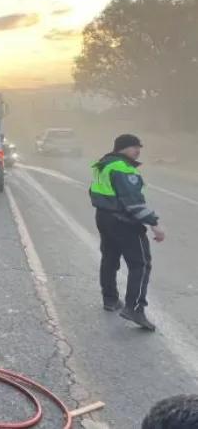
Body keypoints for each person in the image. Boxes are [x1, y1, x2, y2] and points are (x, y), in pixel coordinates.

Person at [89, 133, 165, 331]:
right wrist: (154, 223)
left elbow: (94, 191)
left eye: (139, 147)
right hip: (124, 221)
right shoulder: (123, 168)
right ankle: (135, 309)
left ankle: (110, 299)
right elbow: (133, 202)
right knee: (141, 264)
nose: (138, 151)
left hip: (104, 218)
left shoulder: (104, 164)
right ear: (123, 147)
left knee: (110, 258)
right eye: (135, 147)